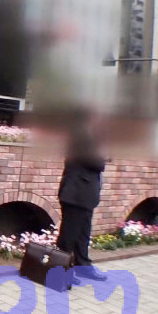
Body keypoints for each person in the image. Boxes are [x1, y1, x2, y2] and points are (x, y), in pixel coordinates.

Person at [56, 110, 108, 283]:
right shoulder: (82, 134)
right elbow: (97, 163)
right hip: (76, 194)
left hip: (84, 195)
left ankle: (83, 266)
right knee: (69, 235)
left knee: (82, 234)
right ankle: (60, 272)